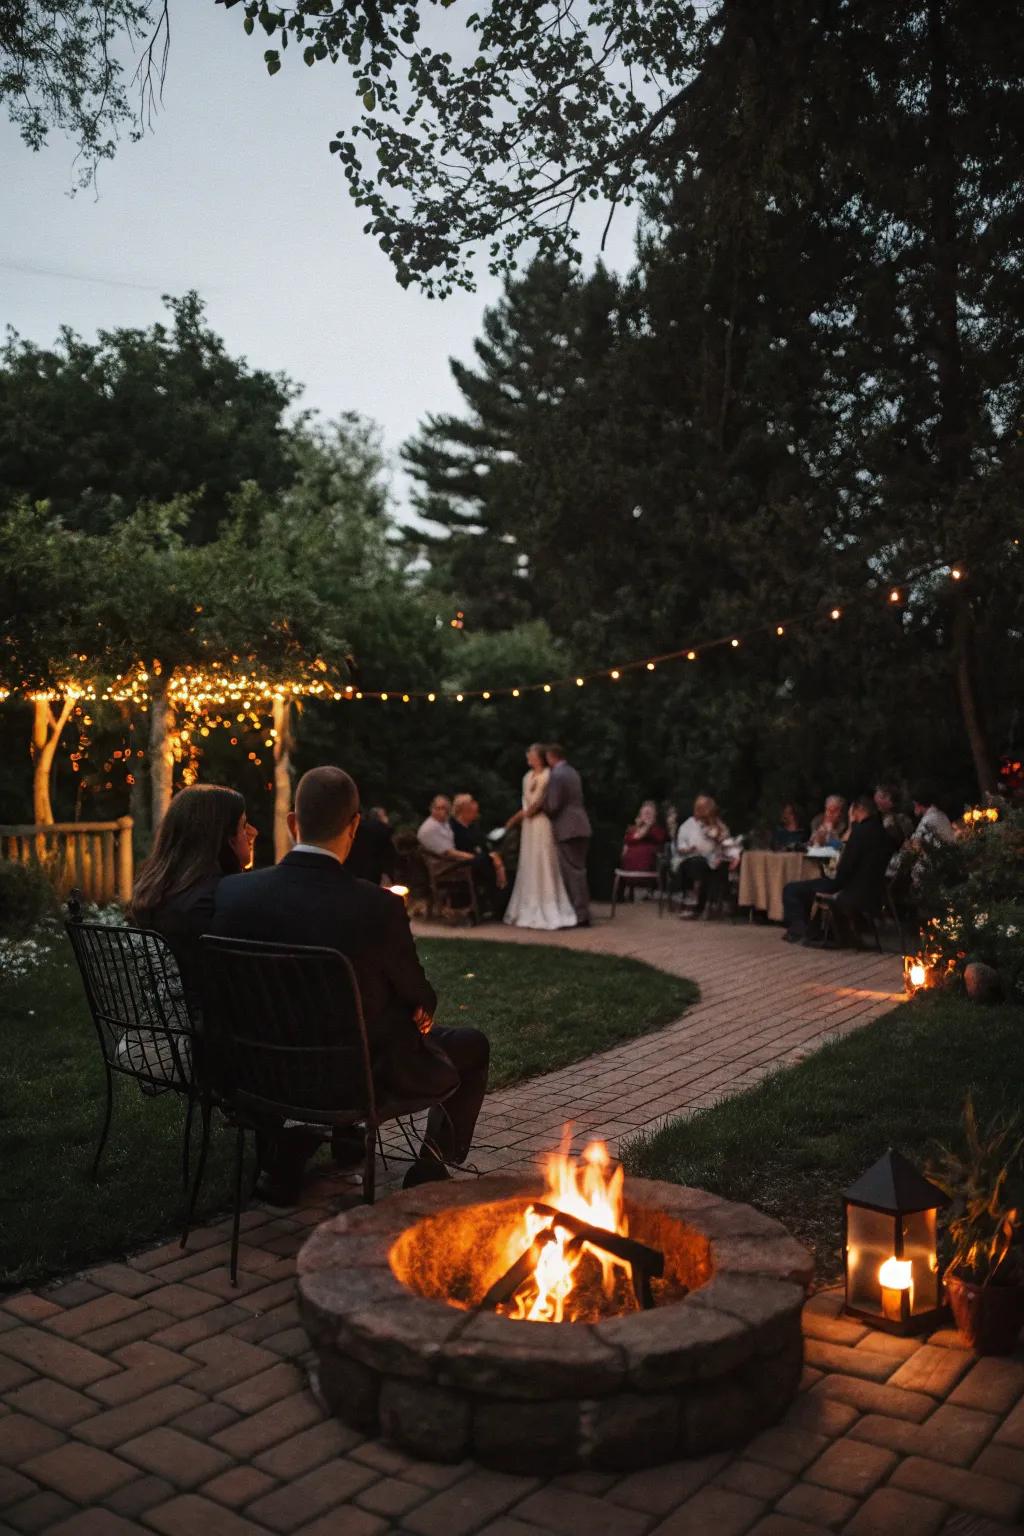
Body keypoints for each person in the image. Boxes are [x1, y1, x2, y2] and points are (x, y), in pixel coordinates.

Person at [212, 766, 490, 1202]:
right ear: (355, 825)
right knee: (471, 1044)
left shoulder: (233, 894)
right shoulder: (376, 906)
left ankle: (287, 1162)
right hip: (356, 1079)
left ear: (291, 822)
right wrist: (416, 1012)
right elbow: (420, 997)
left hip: (262, 1074)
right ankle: (431, 1165)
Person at [130, 783, 257, 1001]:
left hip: (161, 1022)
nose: (252, 833)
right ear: (222, 838)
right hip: (209, 1028)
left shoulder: (155, 892)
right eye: (243, 826)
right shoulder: (215, 901)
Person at [781, 794, 893, 944]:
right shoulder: (882, 833)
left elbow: (846, 867)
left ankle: (799, 930)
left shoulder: (859, 833)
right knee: (807, 887)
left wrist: (834, 880)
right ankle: (811, 929)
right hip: (871, 891)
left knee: (791, 889)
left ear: (858, 810)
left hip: (850, 889)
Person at [503, 743, 577, 930]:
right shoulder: (527, 777)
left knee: (543, 858)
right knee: (529, 861)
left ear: (539, 757)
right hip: (529, 825)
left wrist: (524, 814)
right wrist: (521, 816)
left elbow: (540, 802)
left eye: (531, 755)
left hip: (542, 822)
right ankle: (528, 903)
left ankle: (547, 902)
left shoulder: (548, 775)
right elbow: (525, 802)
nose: (528, 757)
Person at [542, 744, 592, 927]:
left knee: (572, 871)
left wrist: (542, 807)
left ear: (551, 756)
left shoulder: (556, 774)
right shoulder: (572, 772)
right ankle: (583, 910)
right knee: (579, 869)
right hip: (581, 825)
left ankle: (580, 914)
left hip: (567, 828)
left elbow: (554, 804)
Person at [674, 795, 737, 918]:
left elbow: (728, 844)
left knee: (721, 866)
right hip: (690, 858)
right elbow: (680, 848)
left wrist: (718, 839)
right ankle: (693, 903)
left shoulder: (718, 825)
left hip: (713, 860)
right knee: (697, 863)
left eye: (706, 808)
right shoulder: (687, 825)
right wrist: (689, 849)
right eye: (700, 808)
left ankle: (715, 904)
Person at [451, 793, 508, 915]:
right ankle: (492, 905)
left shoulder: (473, 827)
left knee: (504, 863)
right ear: (464, 809)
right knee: (486, 863)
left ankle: (500, 906)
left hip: (480, 860)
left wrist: (495, 857)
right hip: (463, 863)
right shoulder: (453, 828)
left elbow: (484, 844)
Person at [345, 805, 395, 886]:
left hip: (352, 873)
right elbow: (388, 856)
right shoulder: (383, 830)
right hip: (374, 875)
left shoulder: (353, 829)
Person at [620, 801, 668, 875]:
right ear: (640, 815)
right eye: (645, 813)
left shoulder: (658, 831)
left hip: (647, 872)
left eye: (649, 814)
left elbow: (658, 840)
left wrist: (648, 826)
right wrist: (639, 827)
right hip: (627, 872)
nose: (647, 816)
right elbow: (633, 838)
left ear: (655, 815)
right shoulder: (632, 830)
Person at [909, 783, 956, 849]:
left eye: (914, 804)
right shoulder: (939, 813)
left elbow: (915, 843)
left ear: (918, 803)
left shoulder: (928, 820)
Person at [874, 784, 915, 851]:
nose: (876, 799)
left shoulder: (903, 819)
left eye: (882, 797)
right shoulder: (876, 819)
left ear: (891, 802)